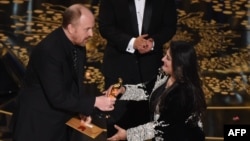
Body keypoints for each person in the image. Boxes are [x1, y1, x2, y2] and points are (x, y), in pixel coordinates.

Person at [11, 4, 116, 141]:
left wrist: (81, 109)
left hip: (60, 122)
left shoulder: (78, 45)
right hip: (37, 125)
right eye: (87, 29)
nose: (91, 34)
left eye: (92, 28)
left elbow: (73, 83)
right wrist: (94, 102)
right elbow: (58, 97)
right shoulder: (49, 51)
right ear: (71, 28)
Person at [98, 0, 178, 137]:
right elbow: (105, 26)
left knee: (146, 117)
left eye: (169, 58)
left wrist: (152, 43)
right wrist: (132, 42)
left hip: (150, 67)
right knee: (116, 120)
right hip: (118, 67)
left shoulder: (181, 94)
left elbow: (169, 26)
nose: (166, 59)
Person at [106, 41, 207, 141]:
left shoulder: (184, 94)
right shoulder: (164, 74)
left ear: (179, 65)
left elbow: (162, 126)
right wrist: (123, 90)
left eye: (168, 58)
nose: (162, 59)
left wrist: (128, 135)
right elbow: (146, 90)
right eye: (165, 55)